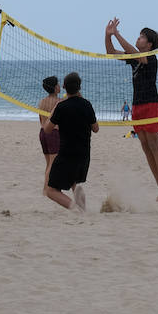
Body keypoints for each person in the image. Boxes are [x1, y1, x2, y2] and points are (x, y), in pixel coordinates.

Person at [105, 18, 158, 201]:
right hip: (137, 105)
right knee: (145, 146)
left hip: (151, 104)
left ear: (149, 44)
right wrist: (108, 34)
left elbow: (137, 55)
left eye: (142, 37)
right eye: (139, 36)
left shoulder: (149, 57)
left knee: (154, 144)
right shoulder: (133, 59)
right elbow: (110, 52)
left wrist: (117, 33)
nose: (138, 38)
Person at [44, 71, 99, 210]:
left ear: (63, 87)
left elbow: (47, 129)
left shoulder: (61, 107)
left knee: (51, 190)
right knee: (74, 182)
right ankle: (82, 209)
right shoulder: (87, 104)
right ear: (79, 87)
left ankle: (74, 207)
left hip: (66, 153)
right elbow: (96, 128)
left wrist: (55, 109)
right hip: (84, 153)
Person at [38, 75, 62, 191]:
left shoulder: (41, 102)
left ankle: (45, 188)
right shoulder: (59, 102)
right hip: (53, 133)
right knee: (52, 164)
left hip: (42, 133)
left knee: (48, 164)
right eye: (58, 84)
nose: (59, 86)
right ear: (54, 87)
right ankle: (47, 190)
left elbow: (40, 119)